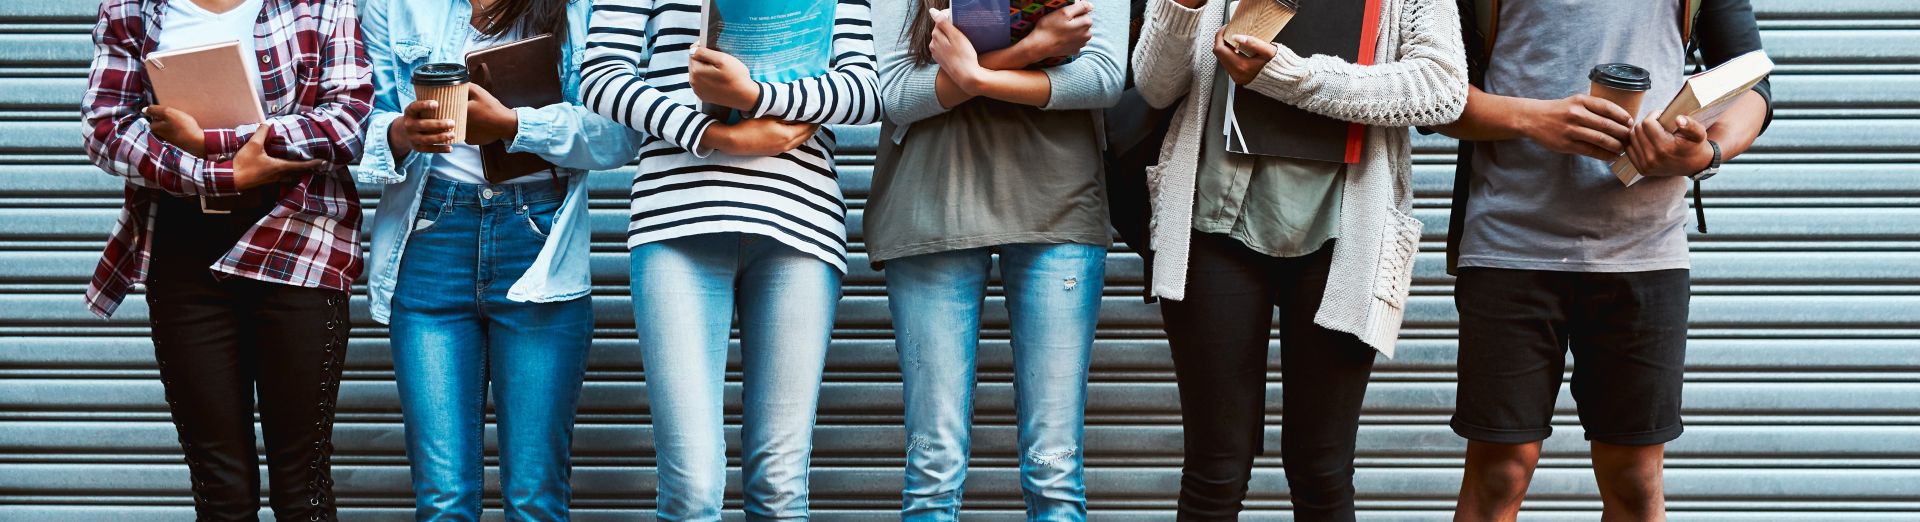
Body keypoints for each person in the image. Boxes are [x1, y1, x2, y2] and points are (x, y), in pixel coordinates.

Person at [1432, 1, 1772, 519]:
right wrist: (1531, 117)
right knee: (1500, 471)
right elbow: (1430, 95)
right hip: (1510, 246)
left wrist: (1708, 154)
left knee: (1635, 481)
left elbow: (1752, 80)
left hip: (1645, 252)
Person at [1131, 0, 1467, 518]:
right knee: (1213, 470)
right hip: (1212, 219)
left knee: (1322, 471)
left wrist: (1291, 77)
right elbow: (1154, 87)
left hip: (1344, 230)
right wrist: (1182, 9)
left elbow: (1440, 89)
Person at [580, 0, 882, 518]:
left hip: (799, 223)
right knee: (692, 488)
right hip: (676, 221)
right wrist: (711, 134)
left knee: (780, 487)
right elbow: (601, 76)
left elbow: (866, 90)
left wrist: (758, 96)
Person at [80, 0, 372, 519]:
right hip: (185, 250)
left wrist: (213, 141)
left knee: (302, 487)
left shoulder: (321, 5)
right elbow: (105, 129)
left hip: (297, 242)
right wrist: (225, 175)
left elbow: (348, 122)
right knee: (222, 493)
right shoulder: (131, 8)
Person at [355, 0, 641, 518]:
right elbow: (361, 115)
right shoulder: (392, 4)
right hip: (431, 237)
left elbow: (621, 135)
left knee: (535, 497)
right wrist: (399, 134)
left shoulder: (583, 7)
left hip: (538, 243)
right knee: (443, 501)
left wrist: (513, 125)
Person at [871, 1, 1126, 520]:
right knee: (933, 468)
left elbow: (1102, 78)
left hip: (1059, 201)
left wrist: (971, 75)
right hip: (931, 200)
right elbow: (895, 91)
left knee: (1053, 467)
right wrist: (1032, 49)